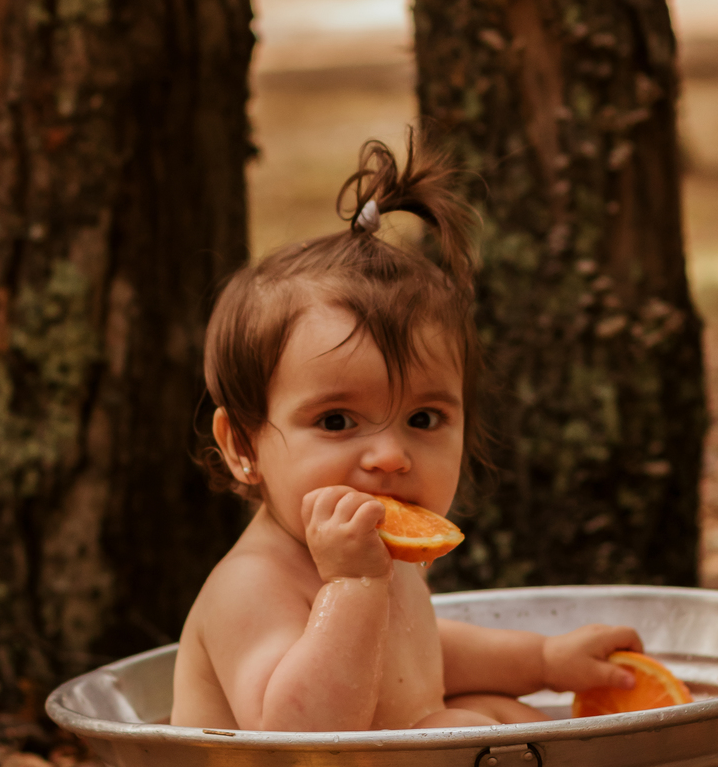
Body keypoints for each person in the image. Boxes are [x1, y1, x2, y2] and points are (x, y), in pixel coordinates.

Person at [171, 135, 642, 731]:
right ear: (243, 445)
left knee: (504, 714)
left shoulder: (374, 561)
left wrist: (542, 662)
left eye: (424, 419)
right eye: (336, 422)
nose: (392, 457)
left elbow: (417, 651)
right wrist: (352, 587)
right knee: (472, 731)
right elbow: (297, 740)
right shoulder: (253, 586)